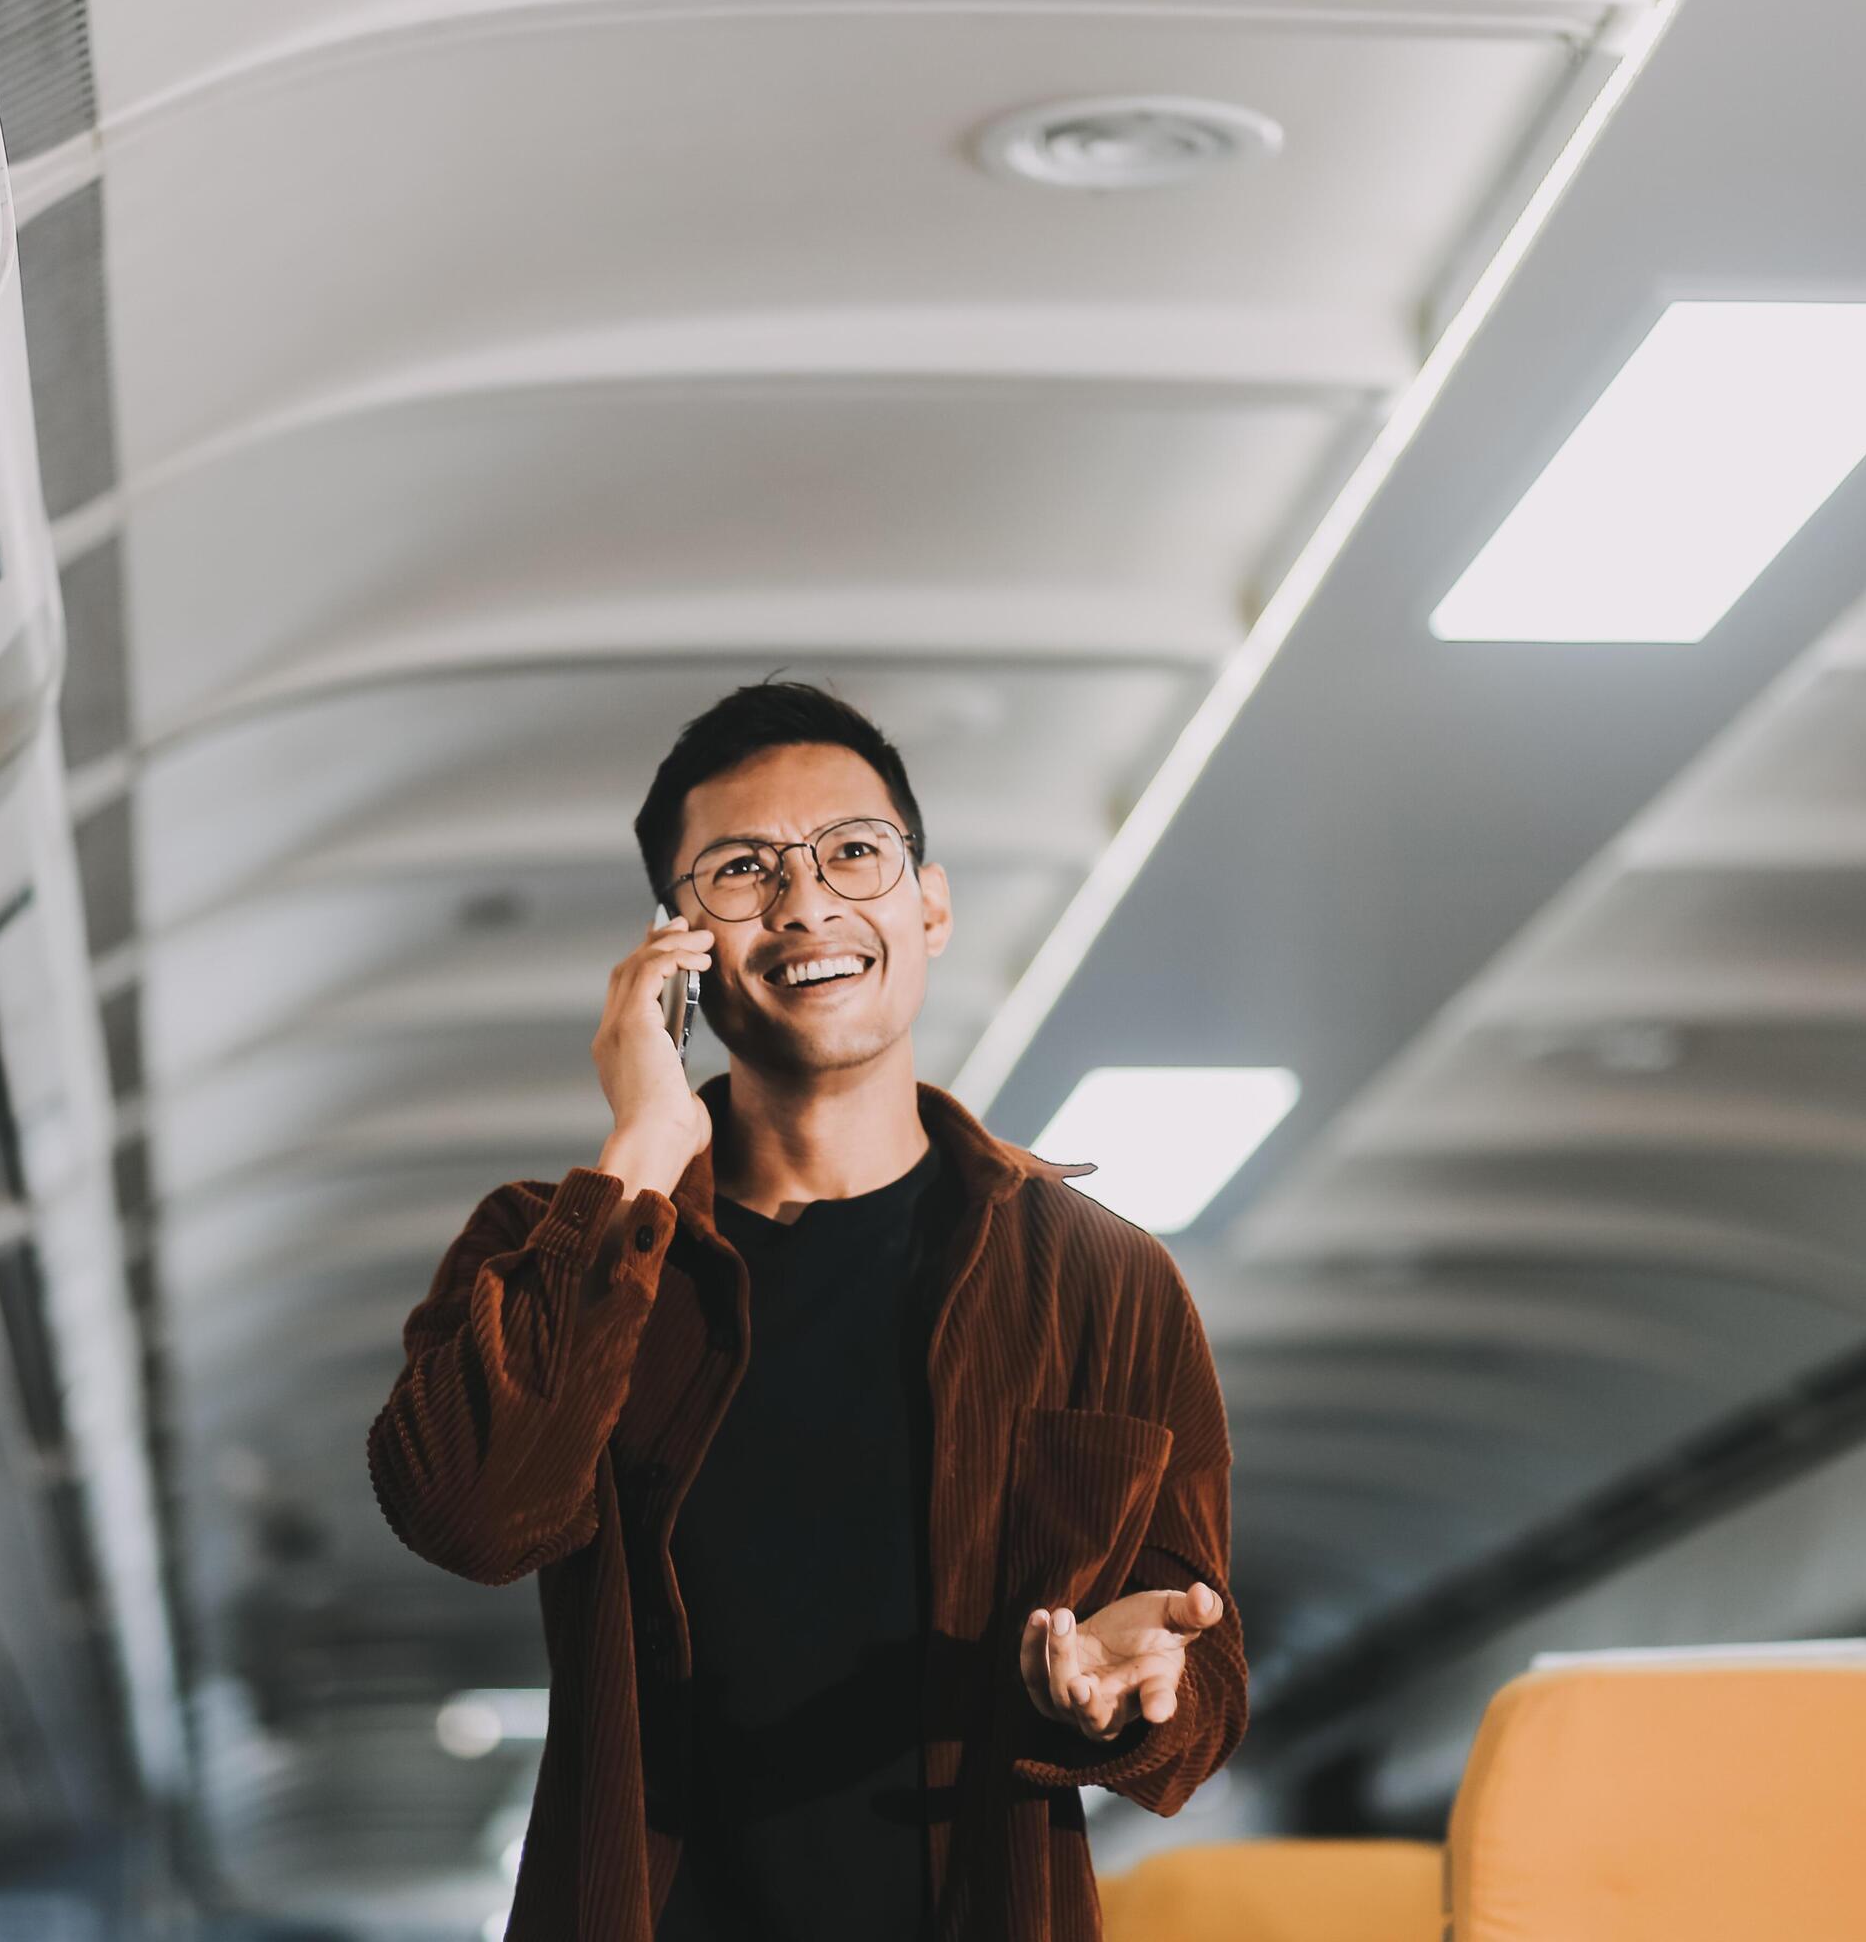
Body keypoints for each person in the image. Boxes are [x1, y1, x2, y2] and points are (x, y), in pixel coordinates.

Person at [368, 683, 1243, 1941]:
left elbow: (1203, 1665)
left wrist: (1135, 1693)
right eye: (741, 872)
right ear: (675, 946)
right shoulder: (560, 1242)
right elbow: (467, 1514)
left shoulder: (1100, 1277)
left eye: (852, 852)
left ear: (929, 903)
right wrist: (641, 1149)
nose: (806, 903)